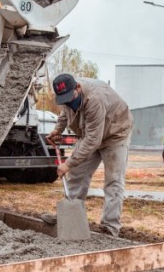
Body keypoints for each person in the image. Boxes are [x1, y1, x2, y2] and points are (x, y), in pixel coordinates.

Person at [44, 74, 133, 237]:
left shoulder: (95, 99)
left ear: (77, 87)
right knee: (77, 175)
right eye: (64, 99)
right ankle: (70, 216)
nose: (68, 101)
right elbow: (66, 112)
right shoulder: (68, 97)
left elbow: (93, 139)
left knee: (113, 180)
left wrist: (68, 163)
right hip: (91, 133)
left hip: (115, 133)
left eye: (70, 97)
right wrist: (58, 129)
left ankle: (110, 227)